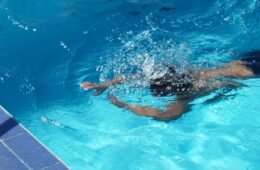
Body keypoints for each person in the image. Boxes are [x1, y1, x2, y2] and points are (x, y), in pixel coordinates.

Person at [80, 50, 260, 121]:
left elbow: (164, 115)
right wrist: (105, 84)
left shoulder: (185, 97)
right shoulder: (185, 73)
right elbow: (136, 77)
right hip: (245, 61)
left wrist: (124, 105)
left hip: (251, 72)